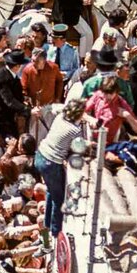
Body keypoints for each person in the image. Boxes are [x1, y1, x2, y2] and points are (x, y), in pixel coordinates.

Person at [34, 100, 86, 239]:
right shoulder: (75, 130)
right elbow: (78, 149)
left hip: (40, 155)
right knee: (59, 198)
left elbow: (59, 107)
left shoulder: (60, 117)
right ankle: (56, 233)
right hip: (51, 163)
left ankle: (48, 223)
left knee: (52, 190)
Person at [0, 50, 33, 142]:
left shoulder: (14, 76)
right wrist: (27, 109)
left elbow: (18, 95)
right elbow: (9, 100)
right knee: (11, 141)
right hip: (0, 116)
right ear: (17, 66)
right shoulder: (2, 77)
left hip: (11, 113)